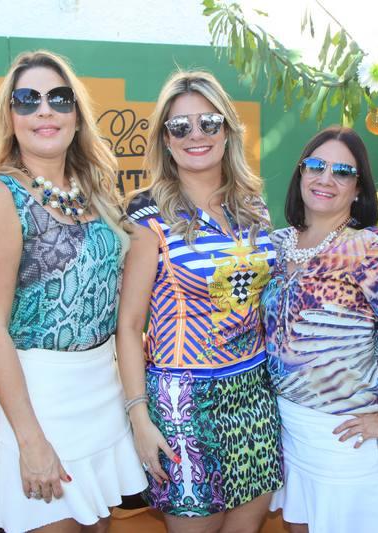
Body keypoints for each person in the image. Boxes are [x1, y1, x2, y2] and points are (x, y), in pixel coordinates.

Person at [0, 50, 146, 533]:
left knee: (99, 527)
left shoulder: (96, 192)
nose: (44, 110)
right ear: (10, 117)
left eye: (59, 98)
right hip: (36, 402)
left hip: (101, 394)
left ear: (76, 114)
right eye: (27, 100)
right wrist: (31, 441)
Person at [261, 126, 378, 533]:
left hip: (346, 437)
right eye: (316, 165)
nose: (325, 178)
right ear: (300, 173)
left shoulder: (371, 248)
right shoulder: (276, 245)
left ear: (358, 188)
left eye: (342, 172)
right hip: (287, 429)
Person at [116, 70, 282, 533]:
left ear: (227, 131)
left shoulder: (253, 206)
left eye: (209, 122)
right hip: (183, 406)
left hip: (256, 395)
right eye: (180, 126)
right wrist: (139, 418)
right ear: (165, 140)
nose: (196, 135)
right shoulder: (148, 217)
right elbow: (129, 325)